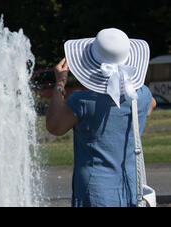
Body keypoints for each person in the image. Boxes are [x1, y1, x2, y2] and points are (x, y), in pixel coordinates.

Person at [46, 28, 156, 207]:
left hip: (94, 190)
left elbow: (54, 126)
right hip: (131, 187)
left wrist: (59, 85)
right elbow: (151, 106)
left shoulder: (82, 102)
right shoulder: (141, 96)